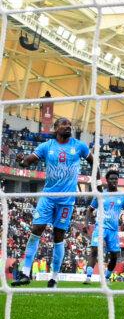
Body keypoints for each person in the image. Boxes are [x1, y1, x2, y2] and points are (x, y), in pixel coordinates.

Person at [12, 117, 92, 288]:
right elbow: (27, 161)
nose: (68, 126)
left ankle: (54, 278)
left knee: (58, 237)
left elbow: (94, 163)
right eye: (64, 124)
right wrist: (21, 160)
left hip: (66, 201)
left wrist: (98, 186)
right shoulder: (47, 147)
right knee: (36, 230)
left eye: (70, 124)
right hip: (48, 197)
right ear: (56, 128)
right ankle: (26, 273)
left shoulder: (79, 146)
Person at [83, 169, 124, 285]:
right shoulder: (101, 194)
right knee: (94, 250)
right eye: (111, 179)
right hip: (100, 227)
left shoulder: (123, 197)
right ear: (107, 180)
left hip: (113, 230)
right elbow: (90, 210)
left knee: (114, 256)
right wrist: (86, 223)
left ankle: (107, 277)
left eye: (116, 179)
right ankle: (88, 277)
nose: (114, 181)